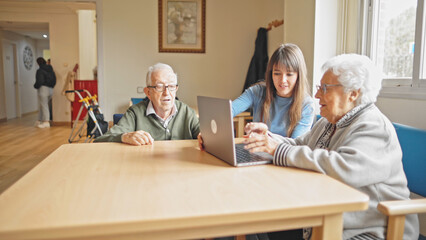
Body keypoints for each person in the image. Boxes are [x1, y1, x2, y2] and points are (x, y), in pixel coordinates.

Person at [242, 54, 419, 240]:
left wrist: (277, 150)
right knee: (260, 224)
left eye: (325, 88)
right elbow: (299, 145)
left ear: (353, 93)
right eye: (319, 87)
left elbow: (344, 168)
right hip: (330, 216)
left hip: (370, 229)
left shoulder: (373, 127)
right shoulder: (329, 121)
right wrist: (267, 139)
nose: (317, 95)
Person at [94, 63, 200, 145]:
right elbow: (100, 141)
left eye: (171, 86)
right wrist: (125, 137)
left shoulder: (186, 111)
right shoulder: (135, 113)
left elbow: (204, 134)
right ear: (148, 92)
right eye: (159, 86)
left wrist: (204, 139)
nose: (166, 93)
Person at [232, 43, 315, 138]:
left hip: (283, 153)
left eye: (289, 74)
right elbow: (230, 110)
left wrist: (266, 135)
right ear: (271, 74)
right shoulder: (257, 91)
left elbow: (295, 146)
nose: (282, 80)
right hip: (256, 151)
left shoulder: (306, 105)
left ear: (298, 76)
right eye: (277, 73)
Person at [34, 57, 56, 128]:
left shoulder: (40, 71)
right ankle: (39, 120)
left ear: (38, 63)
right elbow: (54, 80)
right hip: (50, 89)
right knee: (44, 105)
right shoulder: (51, 70)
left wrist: (35, 86)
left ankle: (46, 122)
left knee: (44, 105)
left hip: (43, 89)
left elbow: (39, 81)